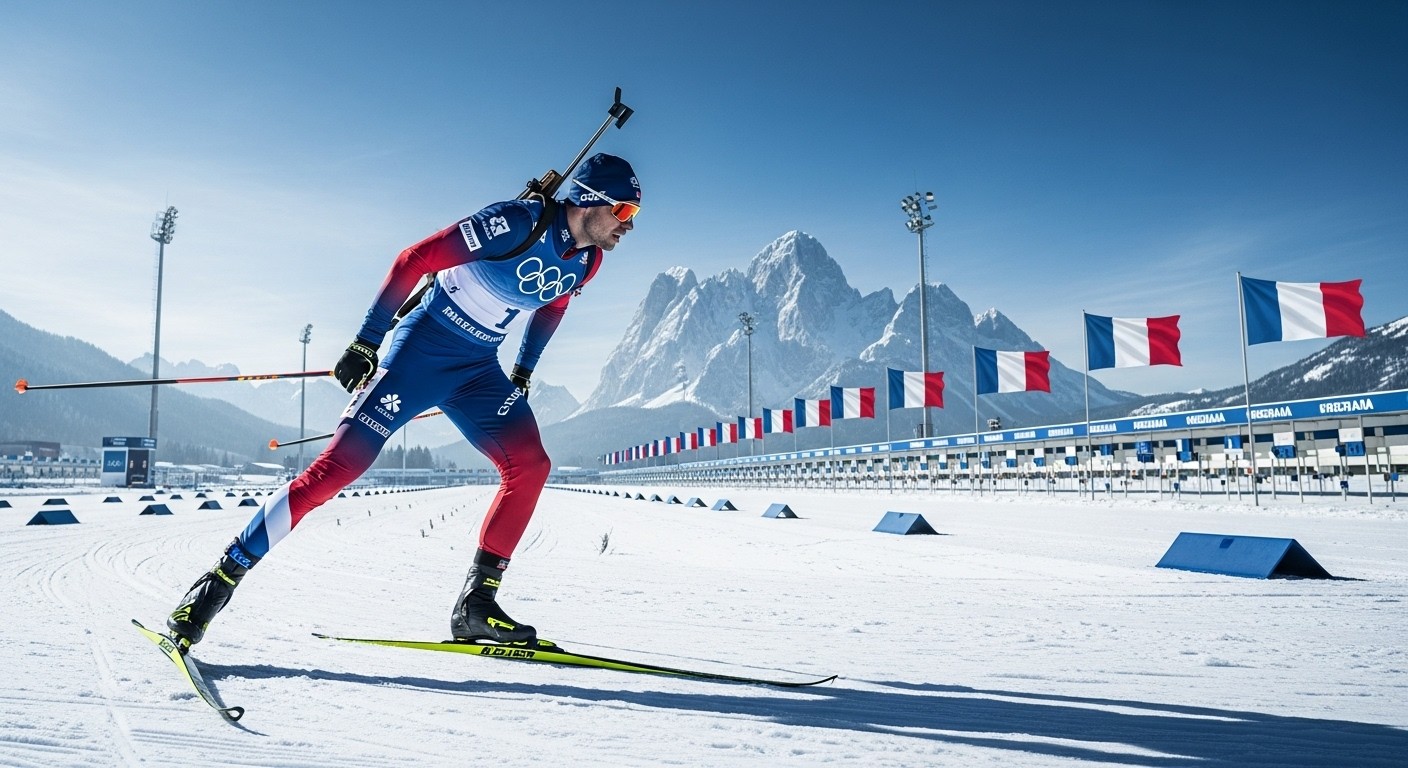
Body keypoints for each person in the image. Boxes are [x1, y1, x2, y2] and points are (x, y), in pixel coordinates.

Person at [165, 153, 641, 652]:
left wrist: (522, 371)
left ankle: (476, 607)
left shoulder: (589, 260)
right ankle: (215, 584)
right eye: (624, 212)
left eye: (635, 216)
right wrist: (365, 342)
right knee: (335, 471)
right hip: (419, 354)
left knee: (530, 464)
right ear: (590, 200)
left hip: (478, 369)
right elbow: (414, 259)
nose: (628, 226)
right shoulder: (517, 222)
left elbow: (553, 305)